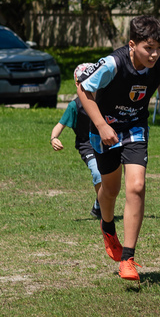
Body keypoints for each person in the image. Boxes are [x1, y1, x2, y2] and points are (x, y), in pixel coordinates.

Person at [75, 15, 160, 281]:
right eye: (148, 48)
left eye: (157, 47)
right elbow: (83, 87)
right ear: (132, 44)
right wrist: (101, 124)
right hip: (104, 130)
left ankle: (127, 258)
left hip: (135, 128)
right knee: (111, 190)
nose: (154, 54)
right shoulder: (112, 63)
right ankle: (108, 227)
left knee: (137, 186)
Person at [50, 63, 103, 218]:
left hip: (107, 143)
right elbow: (59, 125)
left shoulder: (105, 100)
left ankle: (98, 205)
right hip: (87, 145)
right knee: (98, 174)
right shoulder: (75, 106)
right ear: (77, 83)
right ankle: (104, 209)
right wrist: (54, 138)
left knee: (110, 179)